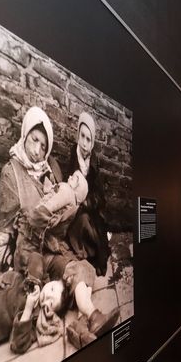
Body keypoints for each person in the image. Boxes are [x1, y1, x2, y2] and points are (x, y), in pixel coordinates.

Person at [0, 106, 63, 275]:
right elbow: (5, 232)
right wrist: (8, 267)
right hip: (26, 251)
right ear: (25, 134)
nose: (36, 151)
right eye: (34, 139)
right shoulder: (11, 172)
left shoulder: (50, 166)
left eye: (43, 147)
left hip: (52, 244)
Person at [66, 112, 111, 276]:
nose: (84, 143)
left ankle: (94, 255)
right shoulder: (72, 155)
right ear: (78, 135)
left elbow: (101, 197)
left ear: (92, 143)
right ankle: (82, 251)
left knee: (94, 231)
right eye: (82, 136)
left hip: (90, 207)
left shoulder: (94, 162)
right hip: (76, 207)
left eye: (88, 139)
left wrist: (88, 202)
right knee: (79, 223)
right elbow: (67, 182)